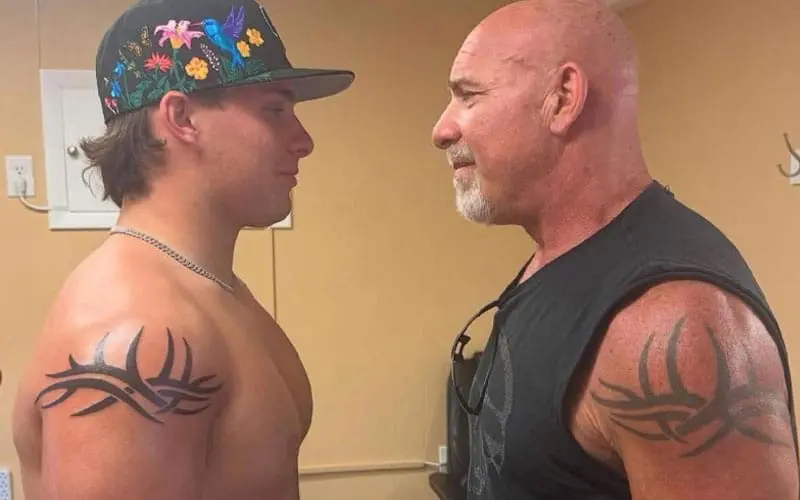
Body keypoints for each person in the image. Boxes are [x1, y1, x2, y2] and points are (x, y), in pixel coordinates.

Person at [432, 0, 799, 498]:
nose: (442, 130)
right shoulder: (555, 263)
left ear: (562, 98)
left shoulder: (673, 321)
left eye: (468, 96)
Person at [11, 0, 354, 498]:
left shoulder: (211, 290)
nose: (303, 141)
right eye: (275, 110)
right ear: (182, 116)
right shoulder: (136, 332)